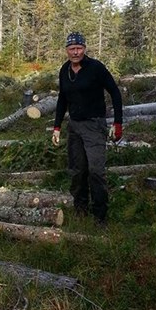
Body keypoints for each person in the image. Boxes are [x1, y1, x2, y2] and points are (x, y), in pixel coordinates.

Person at [52, 31, 123, 224]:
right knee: (77, 170)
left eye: (79, 48)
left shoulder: (96, 68)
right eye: (72, 48)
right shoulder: (65, 70)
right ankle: (80, 209)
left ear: (85, 48)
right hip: (74, 126)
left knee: (96, 171)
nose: (75, 52)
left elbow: (115, 92)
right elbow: (62, 99)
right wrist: (57, 126)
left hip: (94, 125)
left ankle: (100, 215)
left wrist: (118, 123)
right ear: (66, 50)